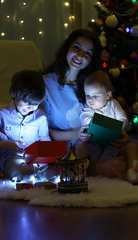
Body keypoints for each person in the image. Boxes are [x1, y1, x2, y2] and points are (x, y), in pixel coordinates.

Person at [41, 29, 132, 178]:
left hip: (97, 146)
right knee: (117, 167)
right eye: (76, 48)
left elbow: (109, 113)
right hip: (64, 149)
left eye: (87, 53)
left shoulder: (92, 86)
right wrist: (78, 134)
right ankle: (91, 169)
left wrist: (120, 134)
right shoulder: (45, 84)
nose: (80, 56)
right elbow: (44, 132)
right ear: (67, 48)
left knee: (131, 151)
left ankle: (92, 168)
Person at [75, 70, 138, 179]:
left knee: (132, 148)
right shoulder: (88, 108)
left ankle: (132, 172)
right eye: (88, 95)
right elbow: (84, 118)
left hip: (114, 143)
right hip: (94, 145)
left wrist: (118, 128)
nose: (90, 99)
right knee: (80, 147)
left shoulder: (113, 104)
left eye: (95, 96)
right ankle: (81, 171)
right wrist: (93, 124)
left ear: (108, 95)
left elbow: (123, 119)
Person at [0, 70, 51, 181]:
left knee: (57, 173)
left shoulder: (41, 117)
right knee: (26, 173)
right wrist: (7, 145)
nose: (31, 107)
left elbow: (44, 138)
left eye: (35, 104)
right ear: (13, 94)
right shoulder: (1, 115)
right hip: (13, 159)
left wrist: (48, 155)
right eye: (27, 103)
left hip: (37, 159)